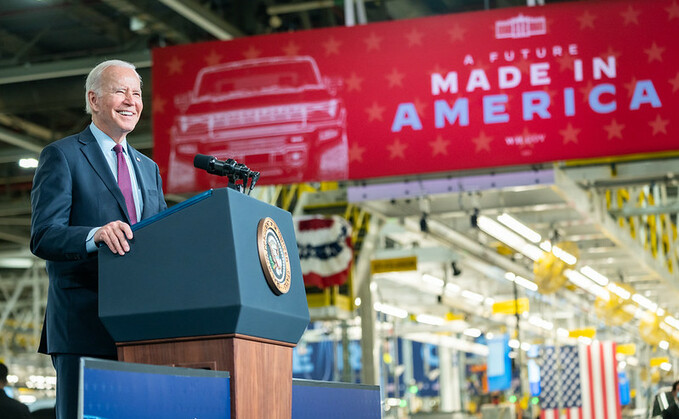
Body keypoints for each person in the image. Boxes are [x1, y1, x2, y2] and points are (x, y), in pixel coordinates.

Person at [30, 60, 168, 419]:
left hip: (142, 327)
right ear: (93, 99)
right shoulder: (62, 155)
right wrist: (95, 235)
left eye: (137, 93)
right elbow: (44, 235)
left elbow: (161, 237)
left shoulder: (148, 168)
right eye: (120, 91)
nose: (131, 101)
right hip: (84, 327)